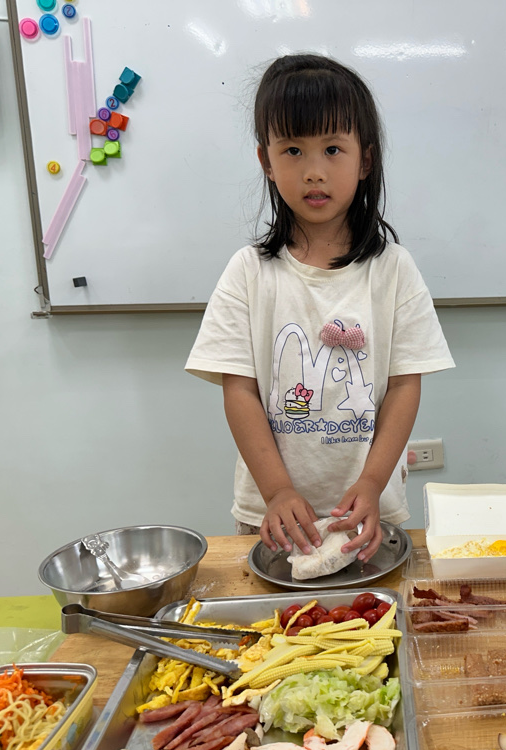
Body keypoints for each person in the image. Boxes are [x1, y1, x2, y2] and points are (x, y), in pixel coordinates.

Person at [186, 54, 454, 562]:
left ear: (365, 160)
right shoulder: (248, 272)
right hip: (273, 517)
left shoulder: (393, 269)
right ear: (266, 161)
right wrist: (277, 491)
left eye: (333, 149)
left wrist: (373, 482)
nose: (314, 172)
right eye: (292, 150)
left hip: (369, 514)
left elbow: (405, 386)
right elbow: (239, 390)